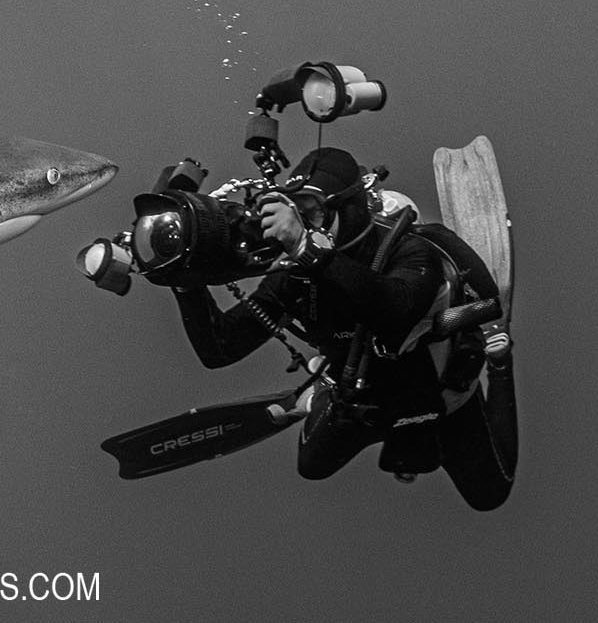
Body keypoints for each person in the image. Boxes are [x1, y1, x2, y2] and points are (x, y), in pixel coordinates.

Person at [168, 146, 518, 509]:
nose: (305, 224)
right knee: (312, 467)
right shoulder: (294, 279)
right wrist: (186, 282)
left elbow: (396, 309)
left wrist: (309, 250)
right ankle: (316, 393)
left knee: (489, 495)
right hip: (364, 406)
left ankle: (500, 362)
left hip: (445, 396)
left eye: (314, 210)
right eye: (297, 213)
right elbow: (221, 347)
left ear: (349, 206)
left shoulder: (410, 251)